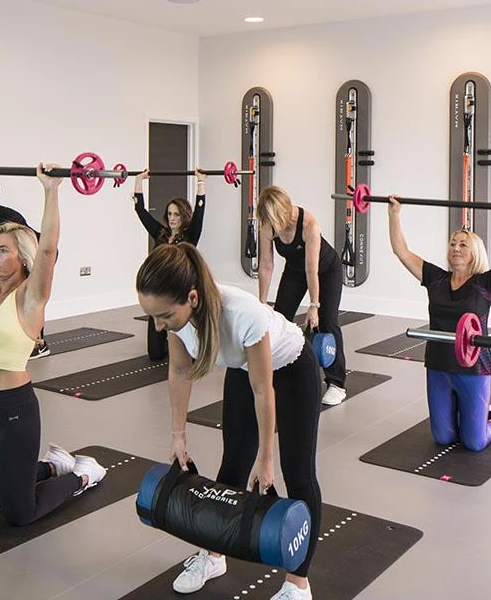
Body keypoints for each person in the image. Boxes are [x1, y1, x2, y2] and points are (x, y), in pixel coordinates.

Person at [137, 243, 323, 600]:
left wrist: (266, 458)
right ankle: (214, 556)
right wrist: (178, 436)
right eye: (153, 317)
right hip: (244, 369)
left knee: (297, 473)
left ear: (191, 298)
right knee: (233, 464)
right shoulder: (178, 319)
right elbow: (178, 371)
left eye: (163, 316)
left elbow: (263, 390)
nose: (159, 327)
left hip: (292, 369)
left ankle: (298, 583)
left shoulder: (241, 313)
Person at [0, 162, 107, 524]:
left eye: (3, 250)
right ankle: (52, 466)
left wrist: (51, 191)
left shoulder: (30, 297)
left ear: (22, 255)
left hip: (12, 410)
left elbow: (48, 250)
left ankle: (82, 475)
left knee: (20, 513)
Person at [385, 195, 491, 449]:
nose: (456, 248)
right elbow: (401, 251)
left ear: (475, 252)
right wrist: (394, 214)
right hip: (438, 364)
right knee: (444, 438)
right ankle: (466, 411)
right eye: (452, 243)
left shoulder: (485, 284)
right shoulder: (436, 279)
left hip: (473, 369)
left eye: (463, 245)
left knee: (475, 442)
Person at [255, 186, 347, 406]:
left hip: (326, 270)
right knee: (279, 318)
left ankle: (337, 384)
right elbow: (266, 265)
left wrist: (313, 306)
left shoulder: (309, 225)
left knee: (326, 321)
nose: (270, 225)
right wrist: (261, 302)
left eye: (273, 219)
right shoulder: (268, 224)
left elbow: (311, 269)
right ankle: (278, 371)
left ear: (283, 212)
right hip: (295, 272)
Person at [131, 169, 207, 360]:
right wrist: (139, 180)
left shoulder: (190, 236)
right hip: (159, 292)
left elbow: (200, 212)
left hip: (181, 291)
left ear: (184, 217)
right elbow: (140, 210)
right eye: (170, 214)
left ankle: (192, 342)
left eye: (177, 215)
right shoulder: (161, 233)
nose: (173, 218)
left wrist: (201, 182)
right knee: (155, 355)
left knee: (190, 354)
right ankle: (166, 340)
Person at [0, 176, 51, 359]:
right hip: (13, 257)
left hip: (35, 254)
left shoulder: (10, 217)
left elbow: (29, 246)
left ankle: (39, 343)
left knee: (32, 297)